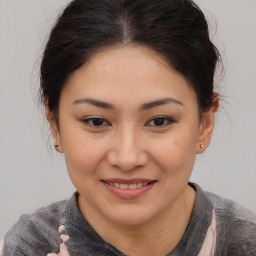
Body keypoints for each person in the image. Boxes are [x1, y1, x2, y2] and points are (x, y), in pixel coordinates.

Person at [3, 0, 256, 255]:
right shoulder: (31, 246)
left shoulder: (246, 244)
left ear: (206, 124)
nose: (127, 159)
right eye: (96, 121)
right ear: (54, 124)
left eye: (159, 121)